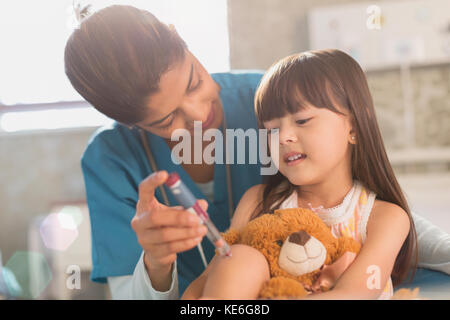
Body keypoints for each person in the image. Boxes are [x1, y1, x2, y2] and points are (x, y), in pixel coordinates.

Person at [64, 5, 450, 299]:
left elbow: (380, 214)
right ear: (134, 125)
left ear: (181, 38)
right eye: (168, 121)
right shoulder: (111, 159)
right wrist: (156, 263)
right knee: (242, 259)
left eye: (194, 82)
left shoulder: (267, 100)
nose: (199, 115)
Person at [182, 49, 418, 299]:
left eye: (303, 120)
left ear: (355, 128)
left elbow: (355, 293)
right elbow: (209, 280)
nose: (284, 137)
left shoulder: (385, 217)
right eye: (271, 129)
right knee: (237, 256)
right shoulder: (259, 201)